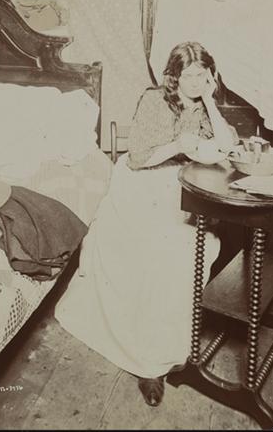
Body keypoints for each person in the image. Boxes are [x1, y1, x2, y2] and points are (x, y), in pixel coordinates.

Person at [54, 42, 240, 407]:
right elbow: (138, 159)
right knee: (156, 250)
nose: (195, 82)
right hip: (140, 183)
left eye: (202, 75)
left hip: (182, 183)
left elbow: (227, 144)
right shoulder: (154, 100)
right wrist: (178, 145)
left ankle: (165, 346)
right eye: (188, 76)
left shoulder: (204, 103)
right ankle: (148, 363)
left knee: (187, 250)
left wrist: (211, 100)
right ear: (174, 76)